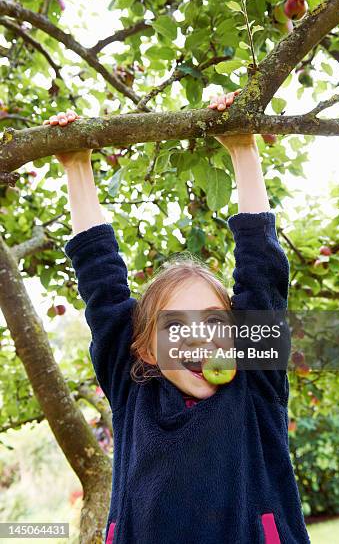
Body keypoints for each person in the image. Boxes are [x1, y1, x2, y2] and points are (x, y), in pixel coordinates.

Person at [45, 90, 310, 543]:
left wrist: (243, 149)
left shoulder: (253, 384)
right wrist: (76, 165)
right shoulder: (133, 393)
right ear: (145, 348)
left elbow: (263, 275)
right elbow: (103, 290)